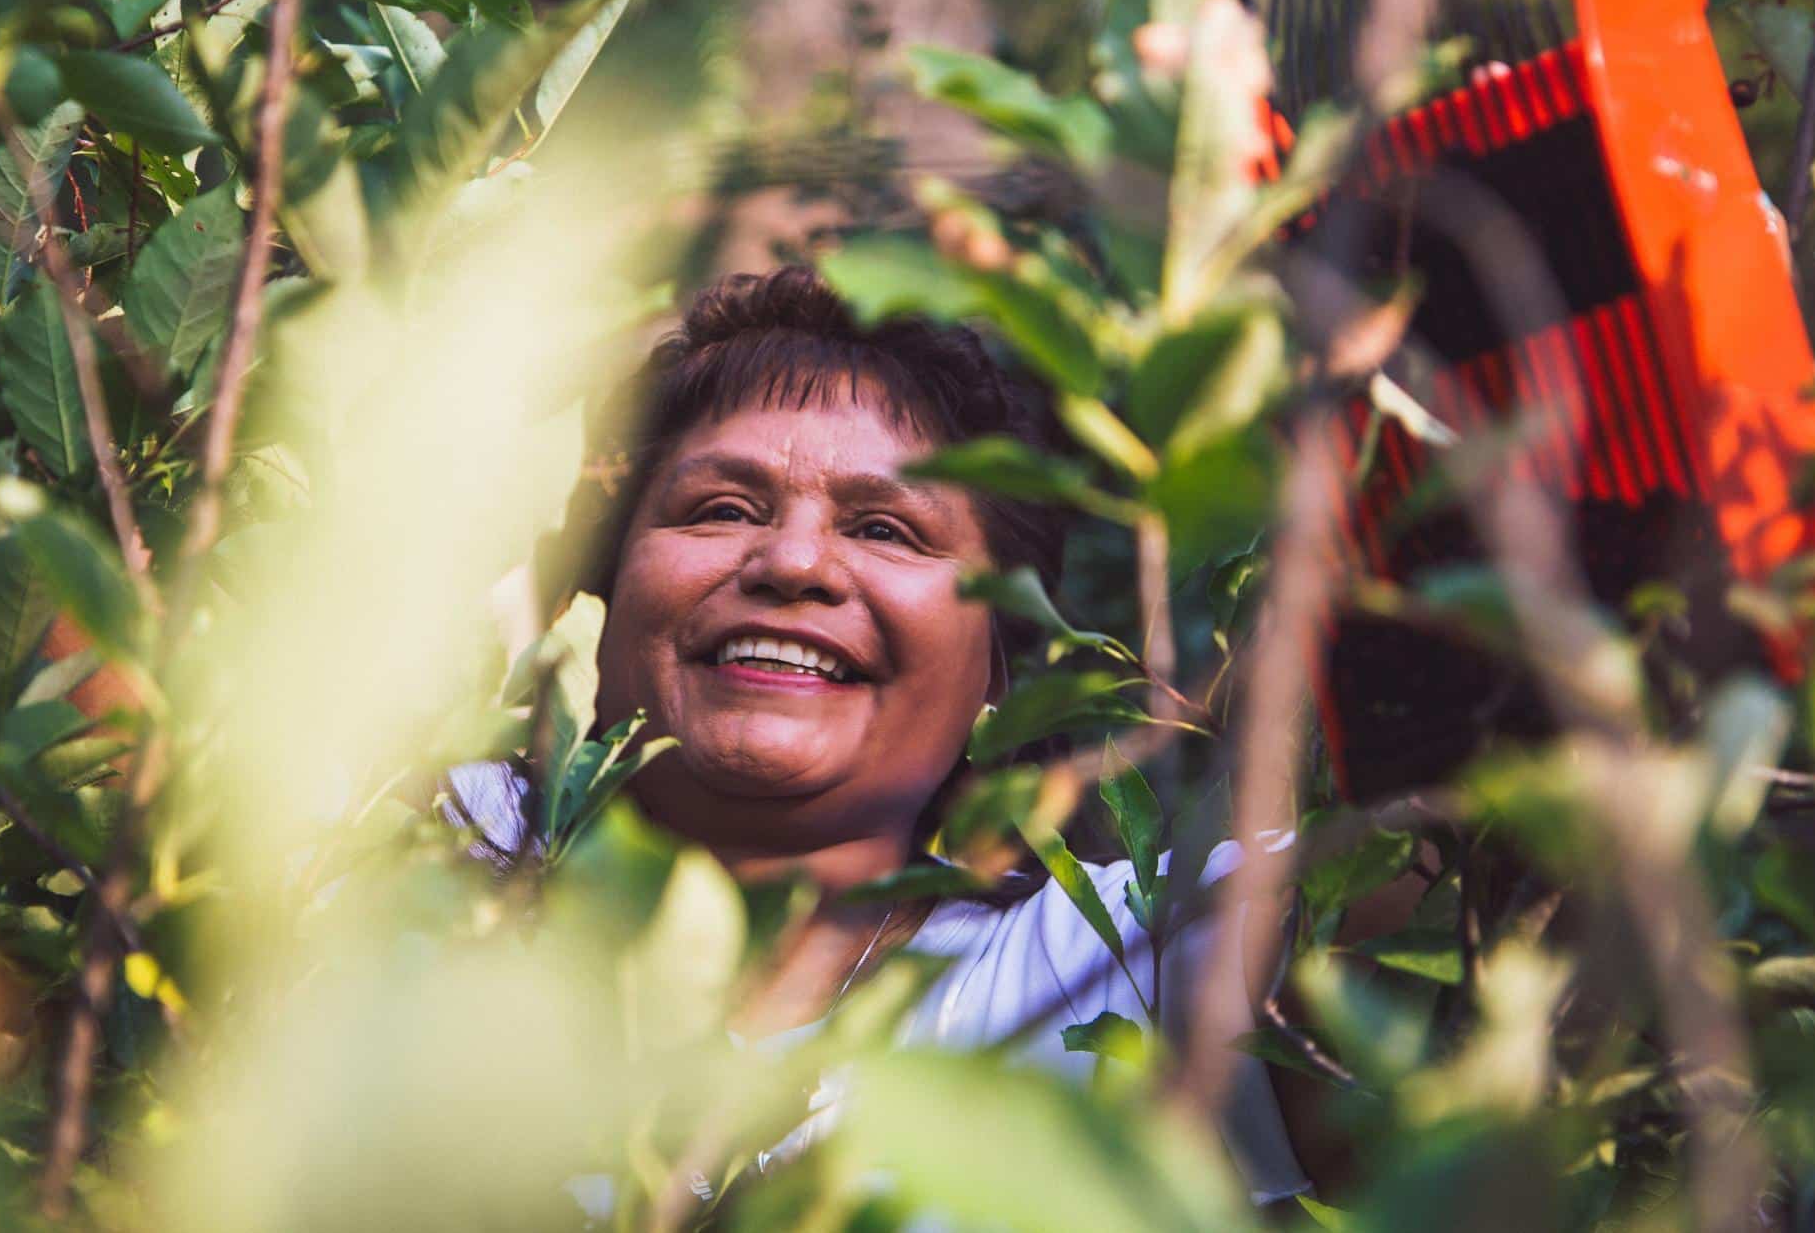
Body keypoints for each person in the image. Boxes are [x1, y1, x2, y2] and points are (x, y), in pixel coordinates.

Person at [443, 265, 1311, 1207]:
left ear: (998, 671)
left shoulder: (1110, 966)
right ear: (601, 603)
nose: (793, 561)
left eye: (887, 528)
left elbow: (1427, 917)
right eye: (722, 508)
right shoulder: (419, 849)